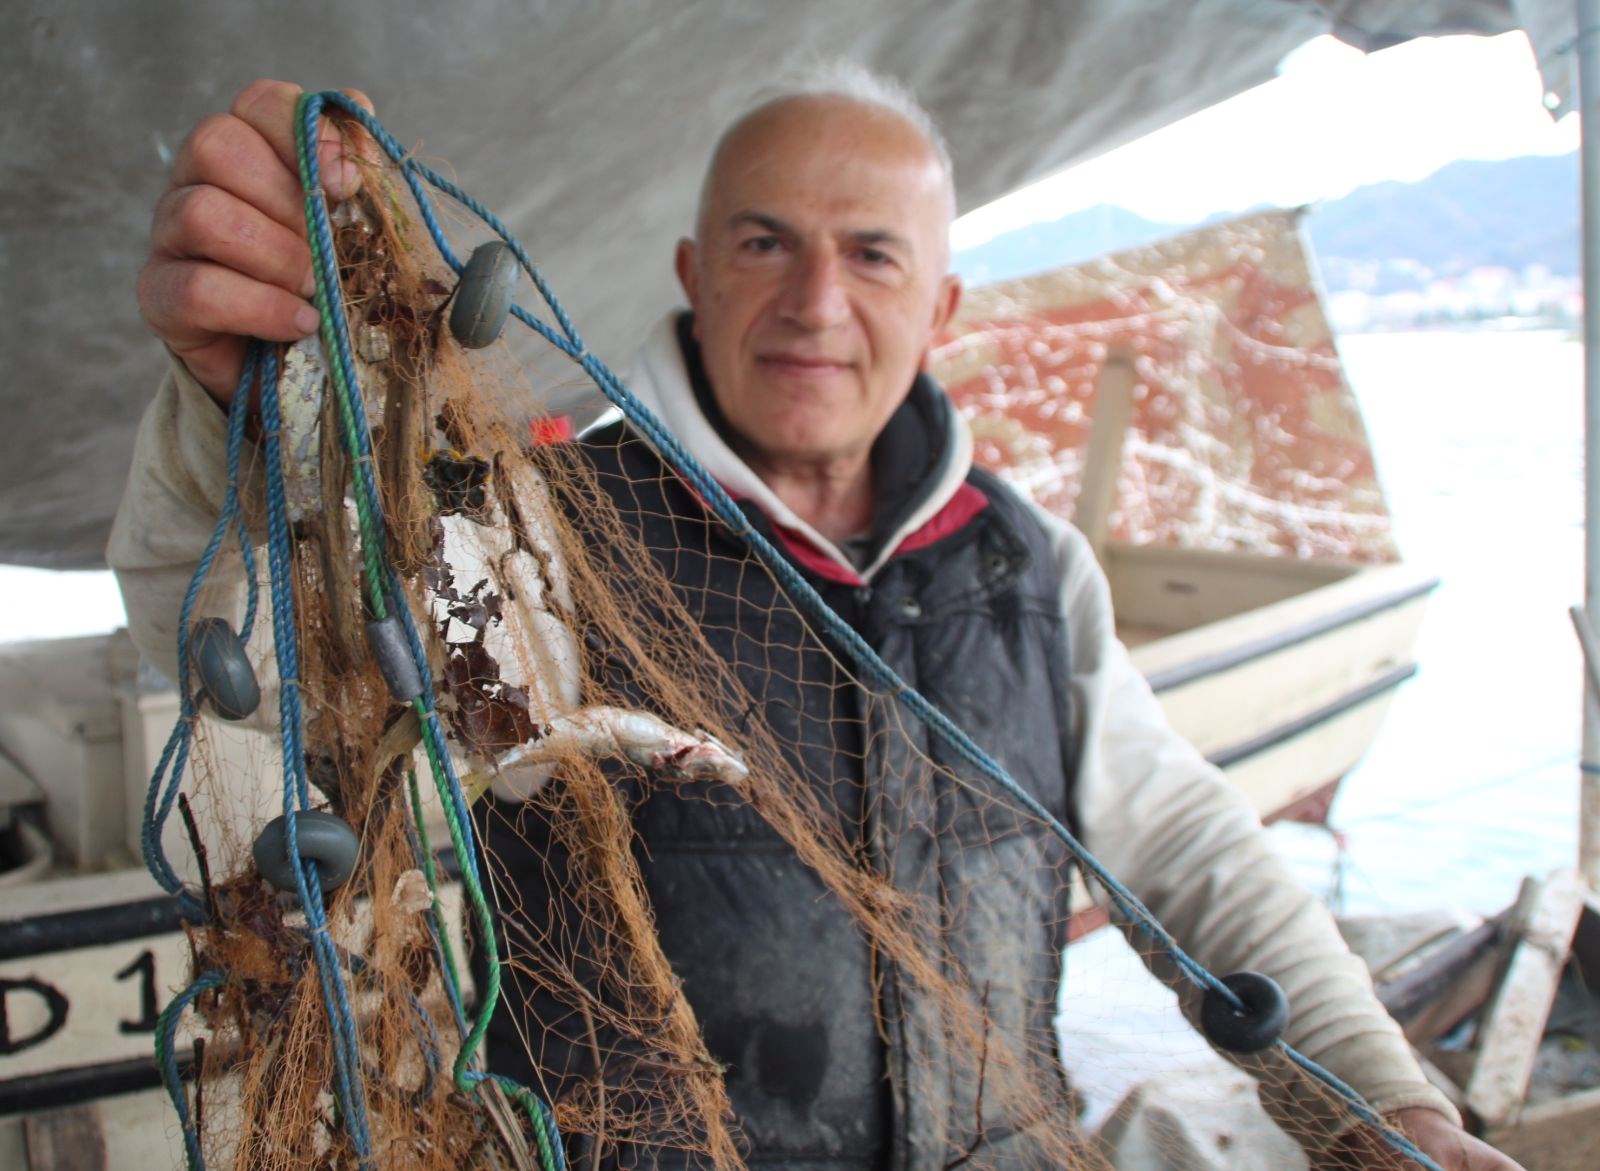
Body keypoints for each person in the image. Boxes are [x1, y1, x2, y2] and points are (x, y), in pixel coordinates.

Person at [115, 74, 1522, 1170]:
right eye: (765, 243)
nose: (815, 303)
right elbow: (256, 656)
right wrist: (230, 409)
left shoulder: (1030, 566)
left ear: (942, 303)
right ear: (693, 270)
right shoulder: (534, 535)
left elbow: (1187, 854)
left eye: (873, 255)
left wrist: (1374, 1104)